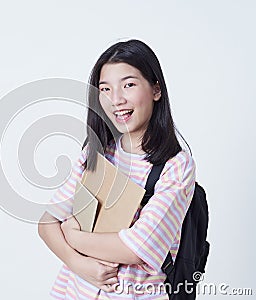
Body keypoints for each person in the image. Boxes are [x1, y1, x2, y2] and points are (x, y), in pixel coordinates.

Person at [38, 39, 196, 299]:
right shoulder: (97, 153)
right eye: (106, 89)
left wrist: (72, 235)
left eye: (129, 85)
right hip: (74, 291)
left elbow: (136, 248)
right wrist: (80, 264)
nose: (116, 100)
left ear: (156, 89)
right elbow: (47, 223)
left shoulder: (175, 167)